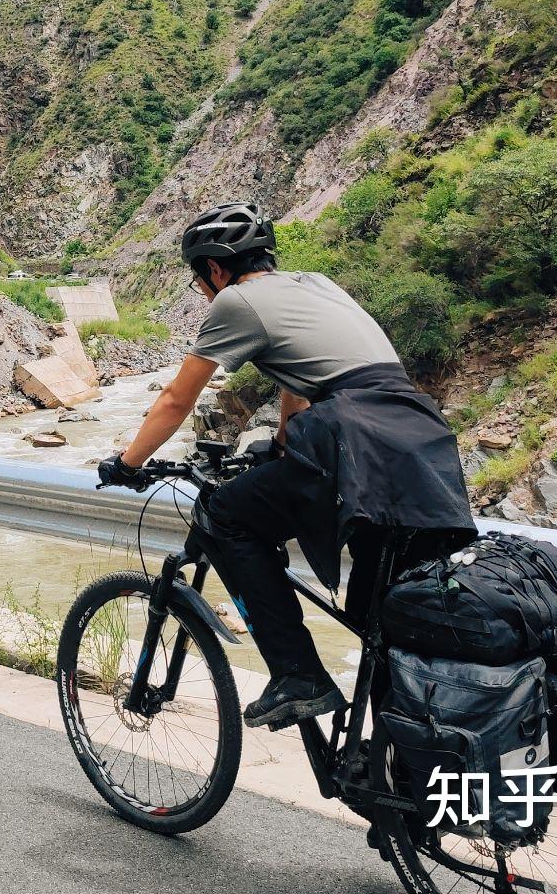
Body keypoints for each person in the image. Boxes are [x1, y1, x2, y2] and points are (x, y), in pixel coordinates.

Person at [98, 203, 474, 729]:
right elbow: (301, 384)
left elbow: (175, 401)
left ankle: (298, 676)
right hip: (420, 439)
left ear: (215, 269)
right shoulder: (317, 284)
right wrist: (280, 447)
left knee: (226, 516)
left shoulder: (236, 301)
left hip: (353, 441)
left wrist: (126, 462)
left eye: (199, 279)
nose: (204, 289)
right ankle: (397, 768)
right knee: (381, 615)